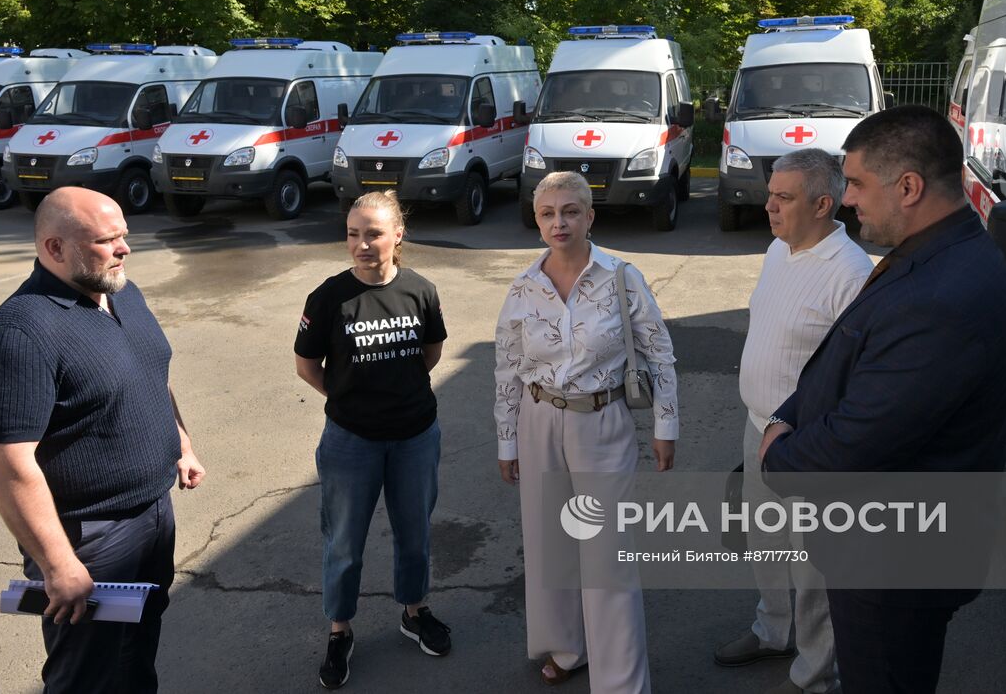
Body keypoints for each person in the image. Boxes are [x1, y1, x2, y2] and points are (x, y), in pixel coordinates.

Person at [760, 105, 1006, 694]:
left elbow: (862, 437)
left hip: (895, 564)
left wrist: (778, 456)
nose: (847, 199)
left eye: (855, 183)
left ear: (908, 187)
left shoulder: (944, 293)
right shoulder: (933, 253)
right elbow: (843, 358)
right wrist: (787, 414)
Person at [0, 186, 205, 694]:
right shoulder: (22, 333)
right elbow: (7, 464)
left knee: (137, 651)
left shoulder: (122, 291)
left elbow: (152, 372)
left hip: (152, 513)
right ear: (54, 248)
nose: (124, 249)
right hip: (89, 537)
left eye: (124, 235)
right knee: (87, 675)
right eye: (106, 240)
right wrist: (58, 564)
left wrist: (180, 442)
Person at [493, 170, 679, 692]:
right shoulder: (524, 286)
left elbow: (658, 351)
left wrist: (666, 423)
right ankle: (567, 648)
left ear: (590, 216)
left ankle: (620, 679)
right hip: (537, 419)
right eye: (549, 213)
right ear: (537, 220)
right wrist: (507, 439)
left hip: (602, 420)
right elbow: (508, 367)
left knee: (606, 552)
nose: (560, 222)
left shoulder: (621, 276)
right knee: (550, 544)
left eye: (571, 211)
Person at [714, 149, 871, 694]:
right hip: (760, 428)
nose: (769, 207)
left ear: (823, 204)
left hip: (808, 445)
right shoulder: (779, 251)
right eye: (770, 194)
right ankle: (773, 631)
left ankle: (814, 674)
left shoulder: (851, 276)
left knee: (812, 567)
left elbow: (858, 380)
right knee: (767, 545)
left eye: (784, 197)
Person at [294, 191, 450, 690]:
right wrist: (347, 397)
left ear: (397, 236)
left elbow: (431, 351)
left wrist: (397, 393)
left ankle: (414, 611)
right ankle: (340, 631)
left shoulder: (421, 290)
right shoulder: (327, 297)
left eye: (374, 233)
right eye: (353, 233)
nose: (362, 244)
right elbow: (306, 366)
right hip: (351, 441)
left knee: (414, 534)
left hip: (414, 437)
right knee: (344, 543)